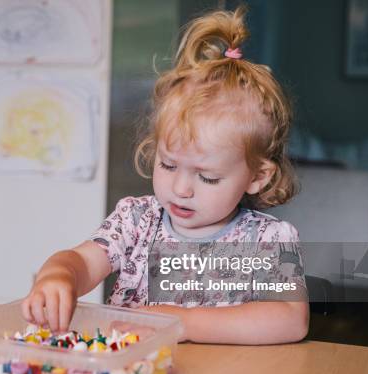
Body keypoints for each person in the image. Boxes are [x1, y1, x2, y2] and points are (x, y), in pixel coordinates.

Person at [21, 6, 309, 344]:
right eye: (169, 165)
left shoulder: (268, 240)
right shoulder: (136, 220)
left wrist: (181, 322)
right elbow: (82, 262)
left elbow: (290, 319)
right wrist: (58, 275)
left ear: (257, 176)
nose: (181, 188)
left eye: (208, 177)